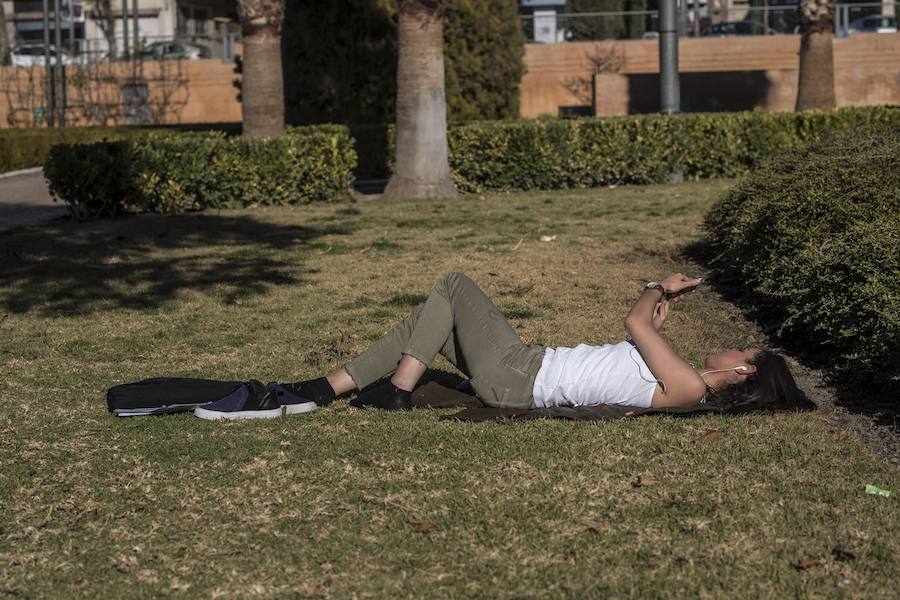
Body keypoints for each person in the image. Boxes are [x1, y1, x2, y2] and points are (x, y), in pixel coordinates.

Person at [193, 272, 814, 420]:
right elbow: (644, 336)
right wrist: (660, 311)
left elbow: (635, 324)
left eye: (742, 348)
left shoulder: (690, 387)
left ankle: (398, 390)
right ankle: (324, 389)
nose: (732, 345)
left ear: (743, 371)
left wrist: (658, 287)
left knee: (454, 286)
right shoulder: (684, 383)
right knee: (429, 321)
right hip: (524, 367)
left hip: (520, 377)